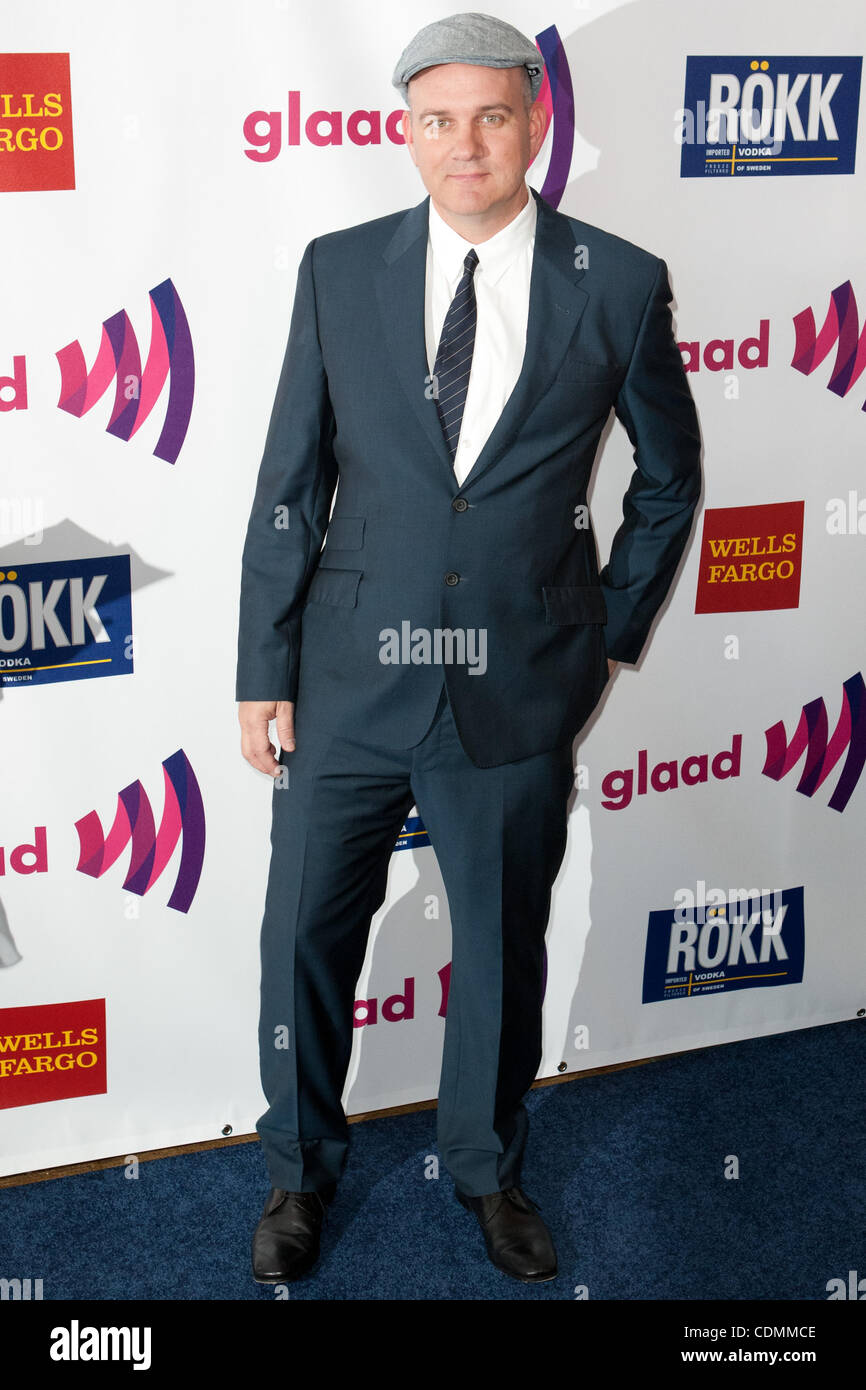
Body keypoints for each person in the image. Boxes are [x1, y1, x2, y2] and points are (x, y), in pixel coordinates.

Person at [235, 11, 701, 1286]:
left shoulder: (616, 280)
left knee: (498, 947)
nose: (464, 145)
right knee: (303, 940)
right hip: (344, 678)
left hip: (516, 684)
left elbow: (669, 475)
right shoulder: (337, 269)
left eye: (491, 116)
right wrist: (260, 669)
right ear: (404, 132)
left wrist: (606, 631)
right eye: (436, 120)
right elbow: (291, 483)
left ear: (535, 122)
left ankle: (488, 1171)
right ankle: (294, 1172)